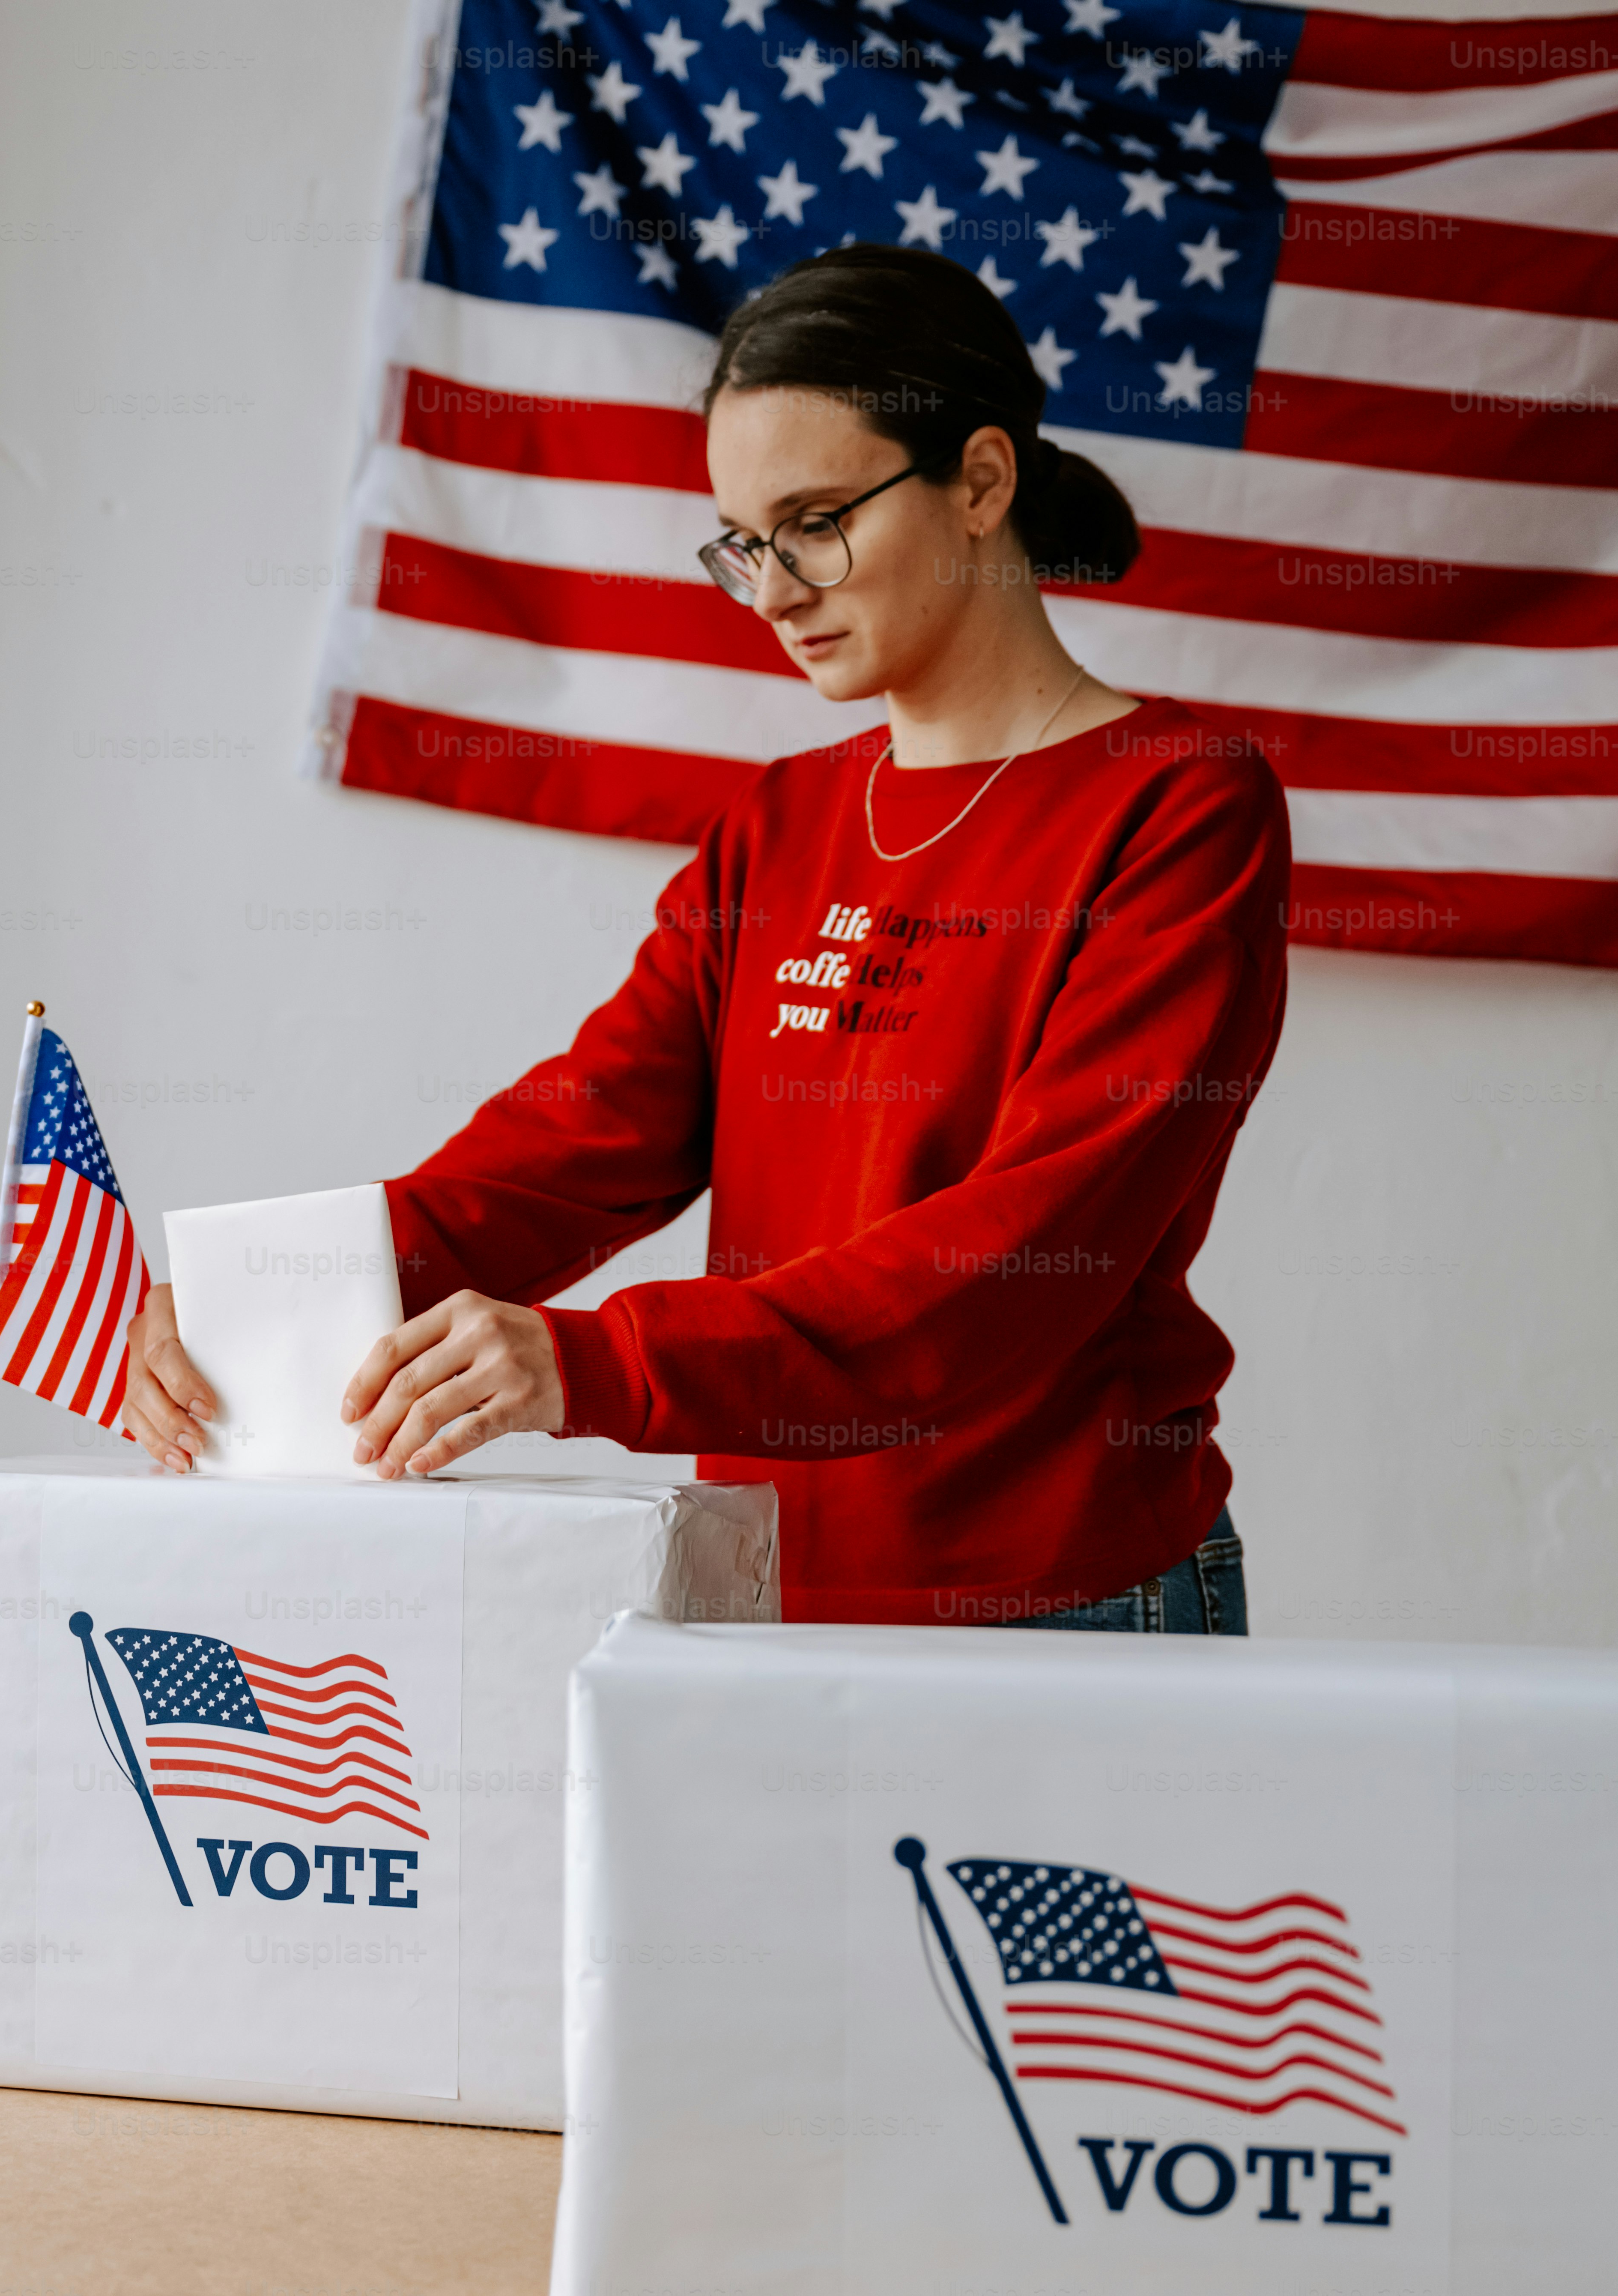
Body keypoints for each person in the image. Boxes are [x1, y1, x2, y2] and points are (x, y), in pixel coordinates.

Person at [123, 245, 1290, 1634]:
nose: (775, 589)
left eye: (815, 520)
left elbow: (1023, 1257)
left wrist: (595, 1363)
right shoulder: (782, 821)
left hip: (1067, 1593)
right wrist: (256, 1295)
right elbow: (578, 1142)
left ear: (981, 481)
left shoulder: (1179, 802)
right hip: (760, 1580)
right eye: (743, 540)